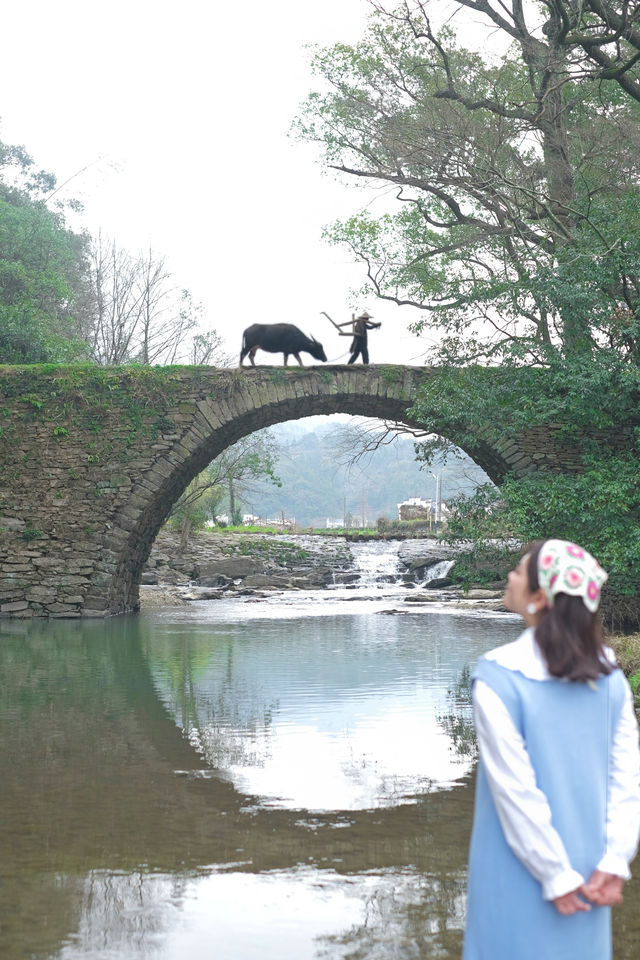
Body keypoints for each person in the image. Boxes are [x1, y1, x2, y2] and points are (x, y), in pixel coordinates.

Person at [463, 539, 640, 960]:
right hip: (592, 868)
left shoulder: (496, 678)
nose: (510, 576)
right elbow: (628, 780)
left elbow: (515, 793)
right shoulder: (611, 678)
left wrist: (556, 877)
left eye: (520, 571)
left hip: (519, 865)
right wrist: (616, 861)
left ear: (539, 598)